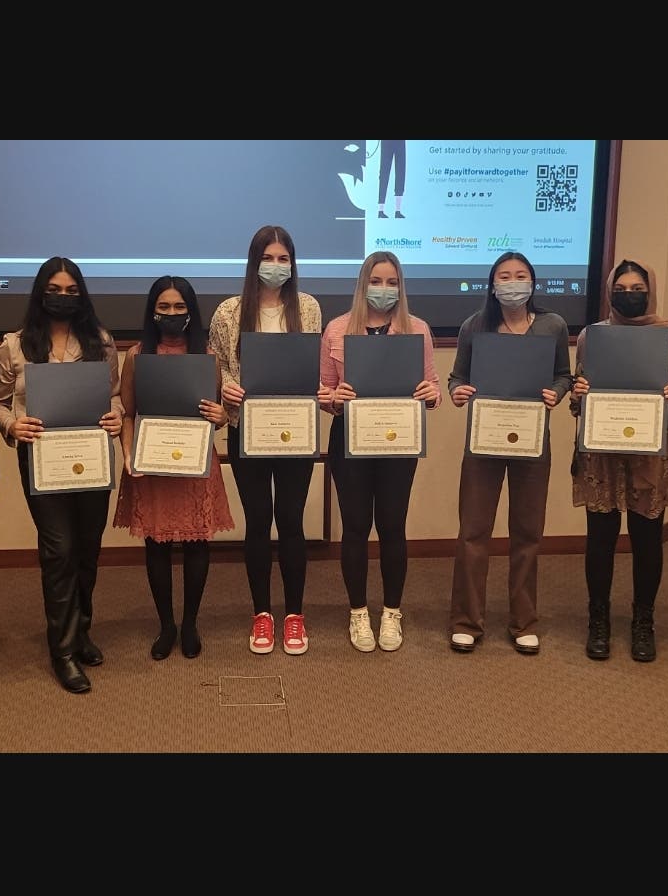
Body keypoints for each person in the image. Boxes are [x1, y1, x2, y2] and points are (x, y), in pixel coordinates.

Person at [0, 257, 123, 694]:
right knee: (59, 550)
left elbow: (115, 395)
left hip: (91, 457)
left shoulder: (100, 341)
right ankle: (61, 650)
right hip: (41, 459)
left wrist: (116, 416)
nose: (62, 296)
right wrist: (11, 425)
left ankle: (81, 631)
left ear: (81, 294)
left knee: (87, 548)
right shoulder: (13, 346)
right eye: (54, 288)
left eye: (71, 289)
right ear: (40, 293)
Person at [446, 251, 573, 655]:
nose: (513, 283)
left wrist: (559, 391)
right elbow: (457, 377)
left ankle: (524, 622)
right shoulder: (474, 326)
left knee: (528, 532)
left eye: (520, 276)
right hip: (484, 440)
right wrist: (456, 392)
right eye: (504, 276)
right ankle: (467, 620)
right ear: (492, 283)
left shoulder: (553, 325)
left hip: (533, 440)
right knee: (473, 531)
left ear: (533, 283)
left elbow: (564, 374)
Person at [569, 258, 668, 662]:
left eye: (636, 287)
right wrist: (579, 393)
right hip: (601, 455)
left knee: (646, 540)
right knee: (600, 540)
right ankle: (599, 620)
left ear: (650, 290)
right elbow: (578, 397)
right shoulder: (593, 335)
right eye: (620, 288)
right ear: (609, 292)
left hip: (651, 456)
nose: (628, 294)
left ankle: (644, 622)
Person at [208, 225, 324, 655]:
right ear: (254, 261)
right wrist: (227, 387)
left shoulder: (308, 308)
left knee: (291, 520)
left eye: (284, 258)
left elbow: (310, 364)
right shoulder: (229, 312)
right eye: (268, 257)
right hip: (247, 431)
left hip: (295, 430)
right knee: (258, 521)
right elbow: (216, 364)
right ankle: (261, 614)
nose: (276, 266)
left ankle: (294, 615)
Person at [321, 251, 440, 651]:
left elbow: (433, 386)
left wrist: (430, 394)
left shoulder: (417, 329)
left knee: (392, 527)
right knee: (354, 527)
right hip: (349, 440)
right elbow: (323, 392)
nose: (383, 290)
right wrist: (335, 397)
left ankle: (391, 612)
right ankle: (358, 612)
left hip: (397, 441)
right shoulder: (337, 329)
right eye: (376, 281)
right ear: (362, 284)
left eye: (392, 283)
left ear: (400, 287)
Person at [113, 276, 234, 660]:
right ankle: (166, 625)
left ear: (190, 311)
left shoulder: (208, 356)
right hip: (152, 465)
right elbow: (128, 413)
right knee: (157, 544)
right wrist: (129, 454)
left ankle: (191, 623)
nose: (171, 314)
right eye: (164, 307)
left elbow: (218, 414)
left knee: (198, 542)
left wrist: (221, 416)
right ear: (152, 311)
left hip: (195, 462)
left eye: (179, 307)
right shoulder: (136, 356)